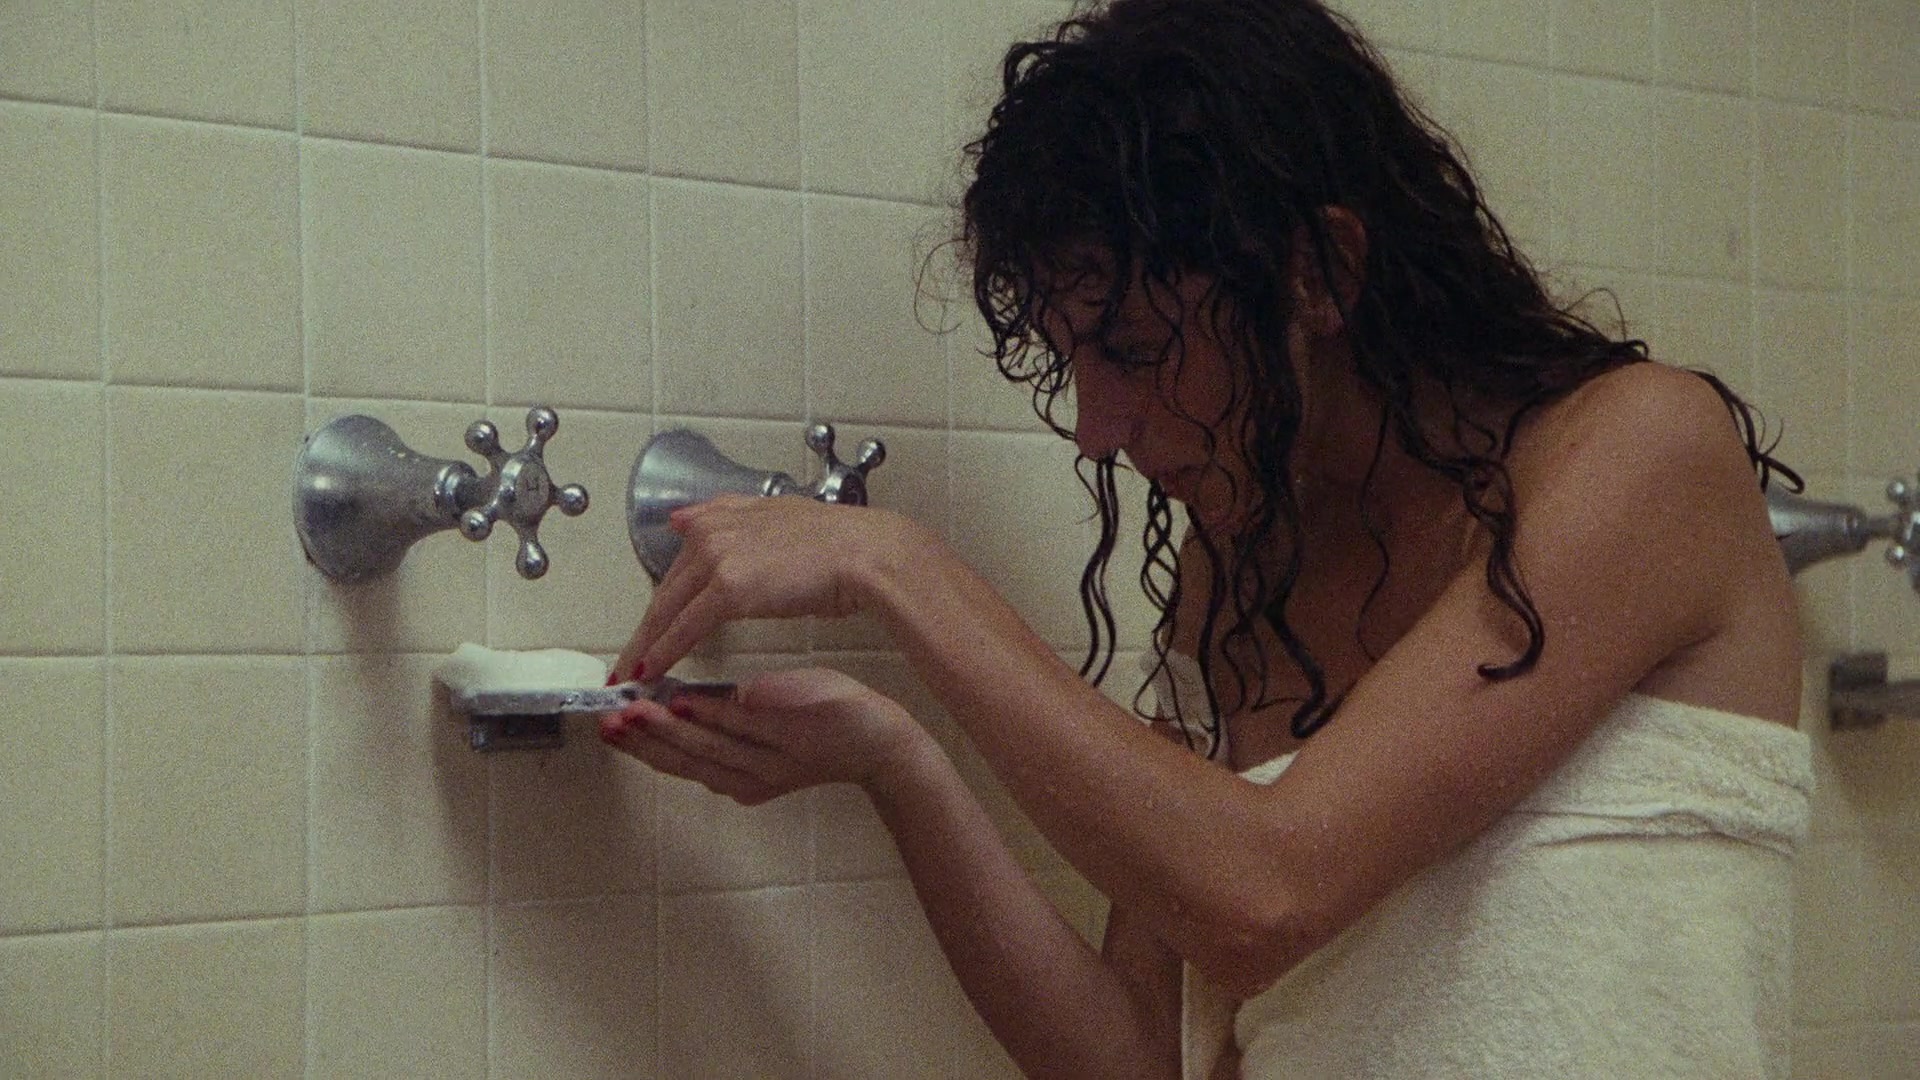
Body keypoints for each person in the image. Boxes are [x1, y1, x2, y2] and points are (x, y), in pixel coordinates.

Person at [602, 1, 1815, 1076]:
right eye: (1072, 360)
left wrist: (895, 566)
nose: (1097, 427)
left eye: (1133, 349)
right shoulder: (1237, 577)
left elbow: (1268, 889)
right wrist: (895, 761)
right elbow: (1135, 1058)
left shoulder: (1640, 454)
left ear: (1320, 271)